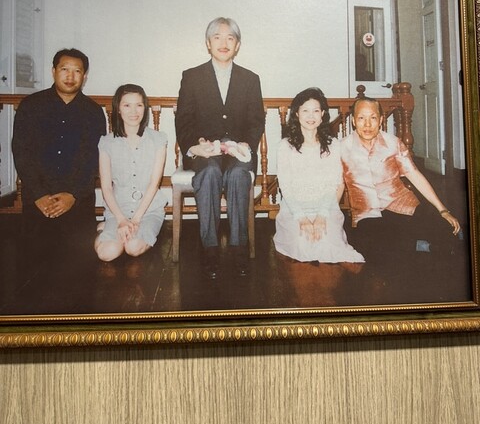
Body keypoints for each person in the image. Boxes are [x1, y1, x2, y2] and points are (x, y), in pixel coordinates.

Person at [175, 17, 265, 275]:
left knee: (238, 175)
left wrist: (246, 143)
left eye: (230, 38)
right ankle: (210, 248)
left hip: (238, 151)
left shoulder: (250, 79)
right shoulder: (192, 77)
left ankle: (239, 248)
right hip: (205, 151)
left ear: (237, 45)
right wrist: (196, 145)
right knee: (210, 172)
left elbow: (256, 120)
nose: (223, 43)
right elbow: (184, 119)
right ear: (208, 43)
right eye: (217, 37)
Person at [340, 96, 460, 256]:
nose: (367, 124)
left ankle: (414, 243)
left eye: (373, 118)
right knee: (372, 245)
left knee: (445, 229)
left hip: (403, 206)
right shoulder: (342, 148)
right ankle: (418, 245)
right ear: (353, 121)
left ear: (381, 120)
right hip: (368, 214)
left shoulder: (393, 143)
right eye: (361, 118)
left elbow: (414, 174)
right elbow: (336, 185)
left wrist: (443, 210)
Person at [12, 48, 106, 246]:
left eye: (77, 71)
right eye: (64, 69)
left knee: (79, 258)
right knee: (34, 257)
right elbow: (21, 153)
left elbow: (92, 158)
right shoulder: (31, 106)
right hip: (38, 200)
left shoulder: (93, 112)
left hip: (77, 199)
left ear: (85, 76)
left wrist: (72, 195)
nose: (70, 76)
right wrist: (39, 194)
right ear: (53, 71)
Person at [273, 87, 365, 264]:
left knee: (326, 244)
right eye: (305, 111)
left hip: (326, 207)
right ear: (297, 114)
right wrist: (302, 218)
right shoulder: (285, 146)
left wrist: (322, 216)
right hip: (294, 210)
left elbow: (335, 184)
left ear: (322, 114)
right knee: (302, 243)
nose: (311, 116)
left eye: (316, 111)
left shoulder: (333, 145)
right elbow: (285, 187)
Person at [95, 84, 168, 262]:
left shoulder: (158, 140)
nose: (134, 111)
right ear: (118, 109)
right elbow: (106, 188)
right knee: (107, 253)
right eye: (127, 105)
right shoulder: (107, 142)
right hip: (118, 210)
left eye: (139, 105)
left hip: (148, 210)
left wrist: (136, 219)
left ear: (145, 108)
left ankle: (146, 230)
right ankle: (104, 228)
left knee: (133, 248)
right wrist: (121, 220)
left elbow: (154, 184)